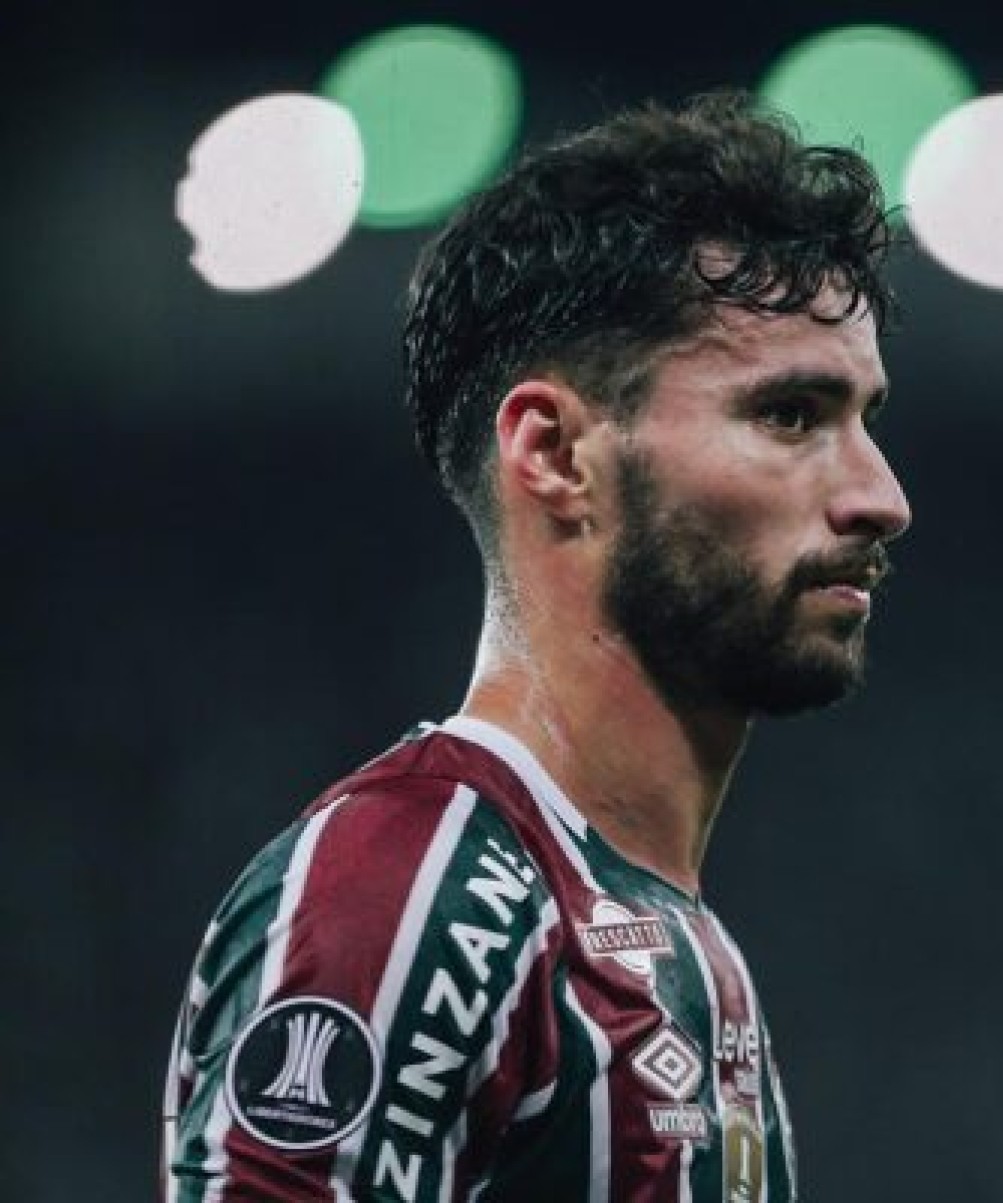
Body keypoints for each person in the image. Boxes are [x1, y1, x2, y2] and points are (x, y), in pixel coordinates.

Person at [160, 89, 912, 1201]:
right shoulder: (414, 888)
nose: (880, 498)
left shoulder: (678, 944)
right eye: (790, 416)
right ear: (555, 454)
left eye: (867, 422)